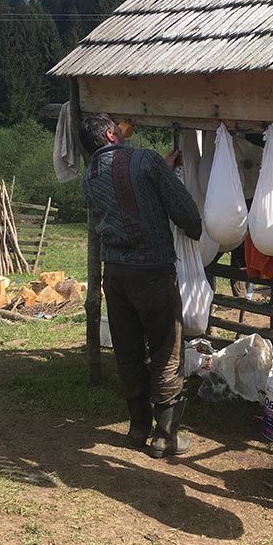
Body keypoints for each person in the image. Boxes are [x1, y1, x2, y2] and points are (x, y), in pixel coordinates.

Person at [80, 115, 202, 458]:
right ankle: (165, 436)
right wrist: (195, 230)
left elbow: (122, 197)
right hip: (152, 271)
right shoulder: (145, 160)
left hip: (116, 274)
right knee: (166, 348)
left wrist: (159, 170)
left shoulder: (89, 177)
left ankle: (137, 428)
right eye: (117, 128)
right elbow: (183, 209)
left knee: (128, 349)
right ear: (110, 134)